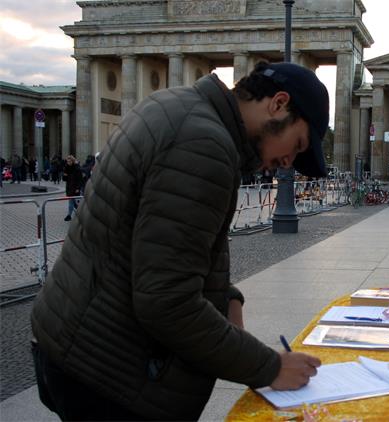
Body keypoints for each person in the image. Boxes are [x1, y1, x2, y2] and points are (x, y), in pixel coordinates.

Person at [30, 61, 326, 421]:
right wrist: (269, 367)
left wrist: (226, 296)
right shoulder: (204, 145)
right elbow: (166, 301)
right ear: (278, 104)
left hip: (77, 343)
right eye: (296, 146)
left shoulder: (177, 105)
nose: (287, 162)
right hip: (111, 374)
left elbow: (167, 240)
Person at [62, 155, 83, 221]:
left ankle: (72, 215)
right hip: (69, 187)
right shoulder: (67, 168)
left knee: (75, 203)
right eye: (67, 161)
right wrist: (64, 174)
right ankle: (70, 215)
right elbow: (64, 179)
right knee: (72, 202)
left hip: (75, 188)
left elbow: (80, 179)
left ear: (73, 161)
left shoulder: (77, 168)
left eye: (70, 161)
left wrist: (78, 188)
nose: (68, 162)